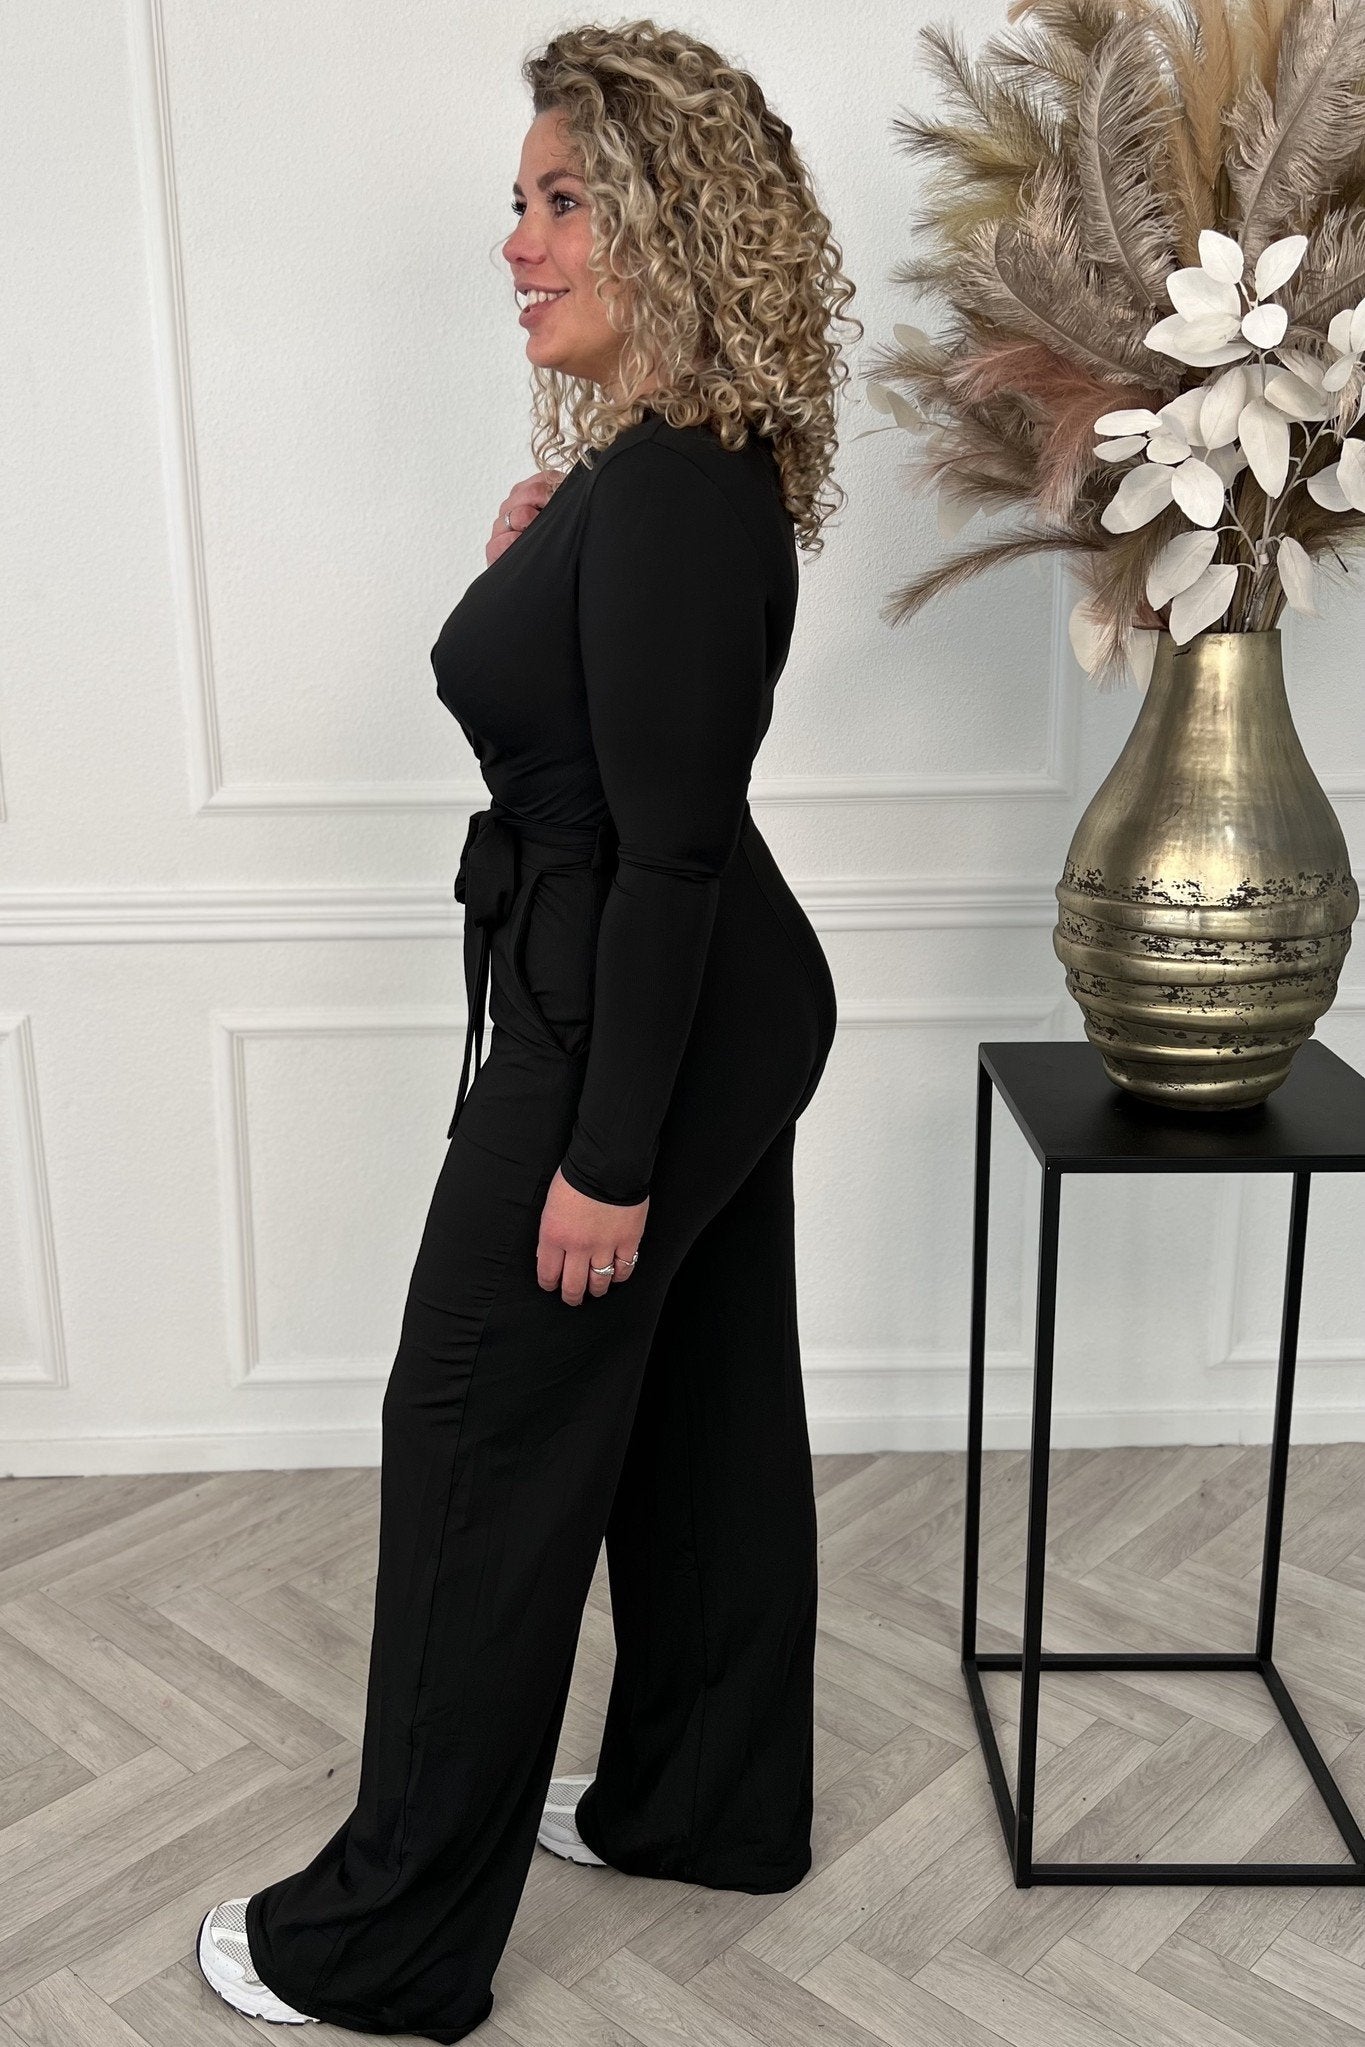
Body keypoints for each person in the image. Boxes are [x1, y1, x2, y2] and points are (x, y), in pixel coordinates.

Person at [197, 21, 859, 2043]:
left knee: (476, 1425)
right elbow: (631, 766)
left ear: (672, 225)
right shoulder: (661, 476)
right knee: (698, 1405)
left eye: (565, 201)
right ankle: (704, 1803)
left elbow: (665, 852)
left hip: (636, 1013)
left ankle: (385, 1943)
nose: (518, 242)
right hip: (707, 994)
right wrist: (529, 570)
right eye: (520, 201)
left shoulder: (666, 495)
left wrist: (603, 1156)